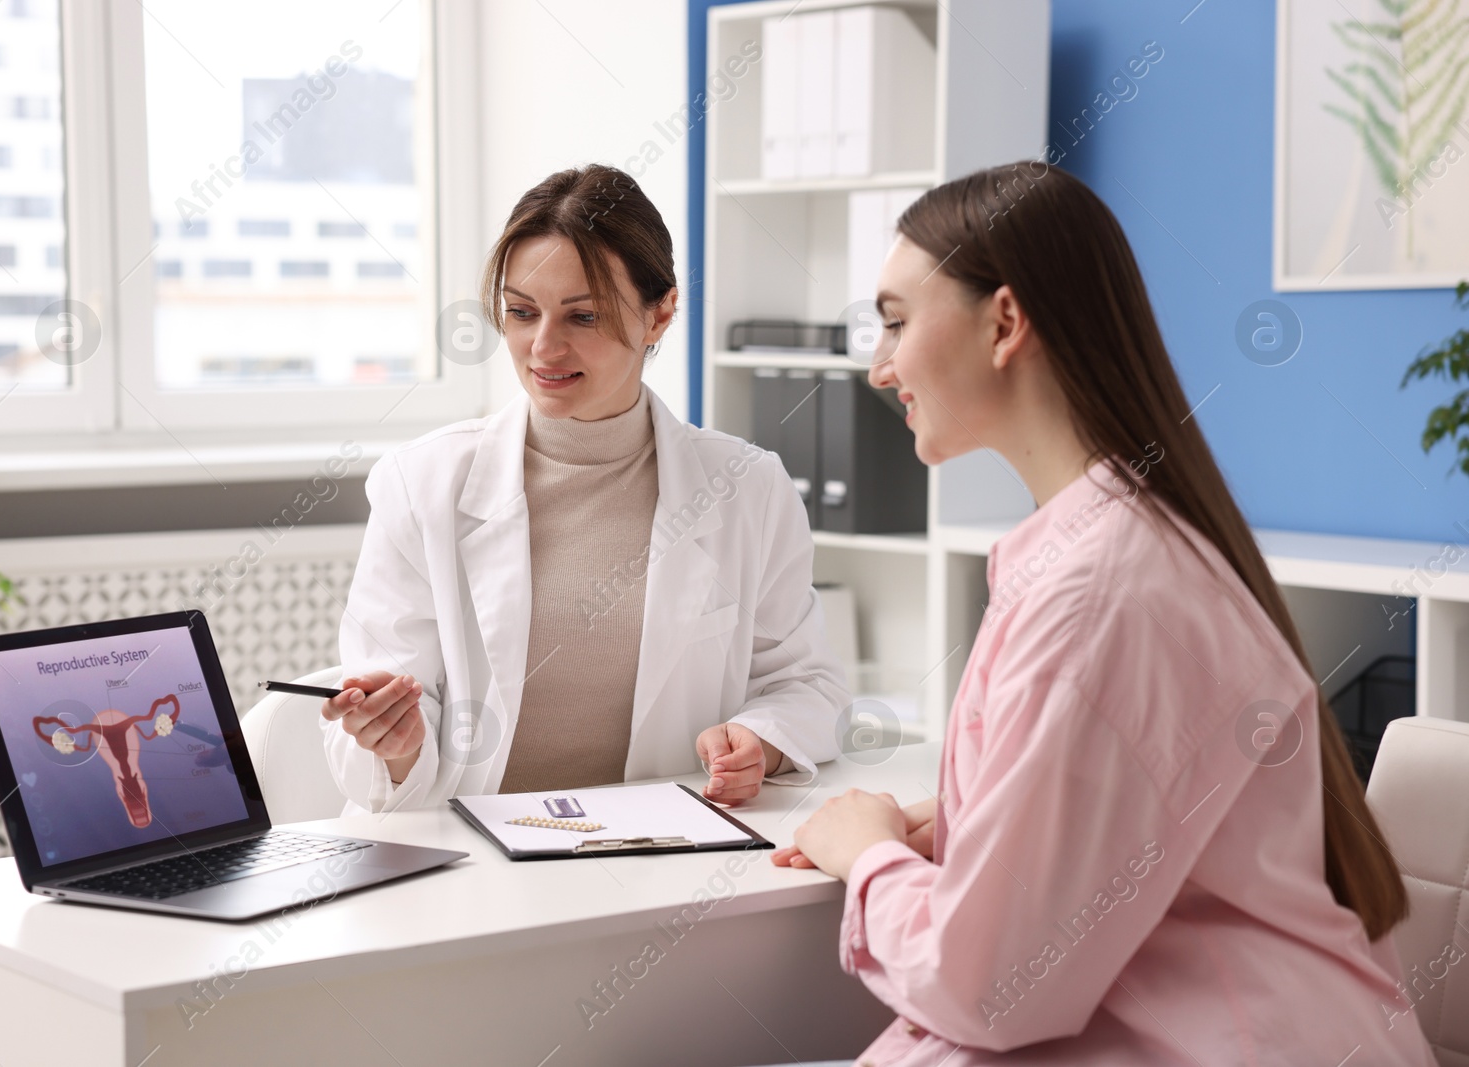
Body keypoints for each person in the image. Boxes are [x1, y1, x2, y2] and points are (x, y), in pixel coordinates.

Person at [768, 162, 1432, 1064]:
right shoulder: (1114, 549)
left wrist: (868, 853)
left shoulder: (1099, 589)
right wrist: (976, 817)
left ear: (1005, 321)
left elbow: (989, 985)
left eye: (894, 321)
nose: (880, 367)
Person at [320, 163, 847, 812]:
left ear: (660, 314)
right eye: (521, 312)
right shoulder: (421, 484)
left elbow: (807, 683)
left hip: (655, 849)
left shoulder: (748, 488)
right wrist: (396, 744)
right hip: (466, 859)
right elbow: (385, 719)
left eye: (584, 316)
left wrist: (758, 739)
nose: (543, 347)